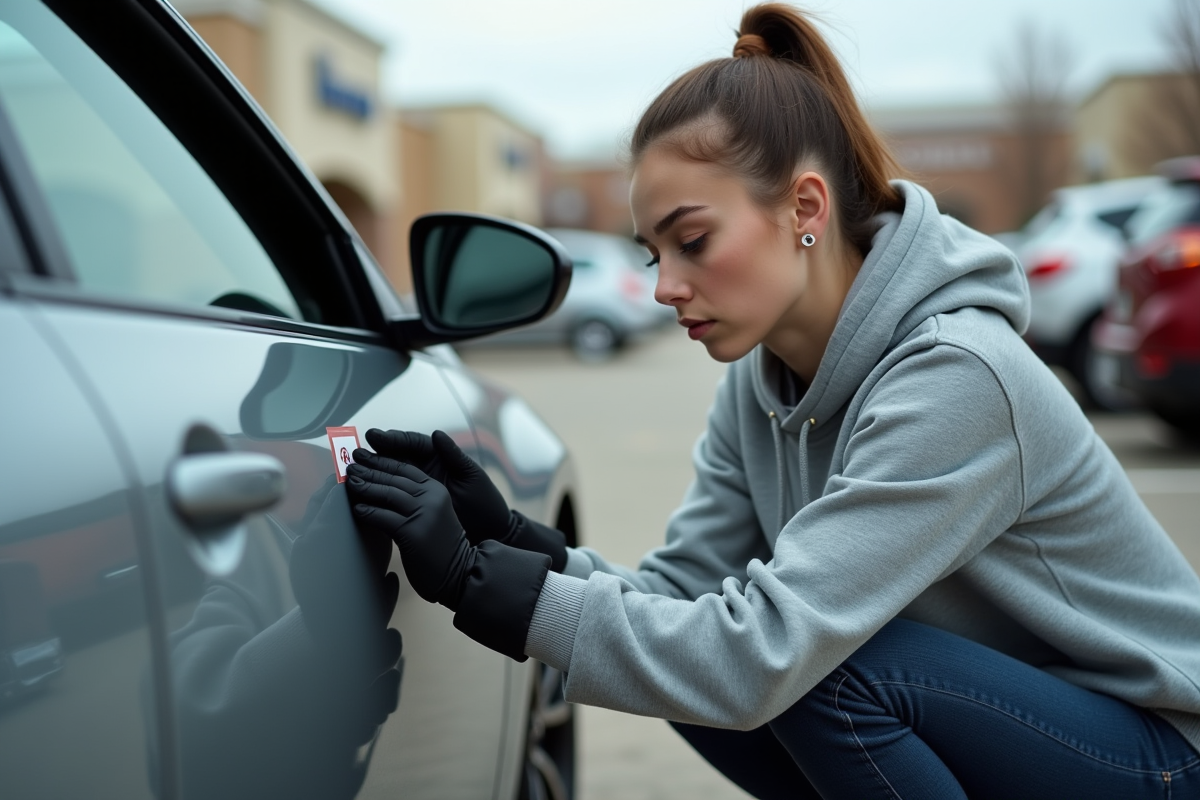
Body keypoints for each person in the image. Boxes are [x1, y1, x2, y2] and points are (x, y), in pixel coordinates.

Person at [344, 4, 1200, 797]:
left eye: (692, 241)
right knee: (696, 673)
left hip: (1154, 750)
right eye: (652, 256)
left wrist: (479, 585)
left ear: (805, 207)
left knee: (816, 671)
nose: (665, 287)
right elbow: (681, 602)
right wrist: (519, 546)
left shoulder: (958, 376)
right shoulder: (758, 383)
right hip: (1004, 725)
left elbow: (764, 648)